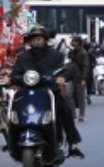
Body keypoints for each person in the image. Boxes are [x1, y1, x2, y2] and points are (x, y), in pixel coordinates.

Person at [9, 26, 84, 159]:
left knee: (65, 110)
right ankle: (11, 143)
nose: (36, 41)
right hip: (28, 94)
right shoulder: (23, 57)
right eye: (34, 39)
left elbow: (67, 69)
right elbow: (15, 74)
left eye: (39, 38)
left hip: (50, 92)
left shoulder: (56, 55)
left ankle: (73, 144)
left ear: (45, 40)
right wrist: (12, 80)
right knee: (13, 111)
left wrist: (63, 77)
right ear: (30, 41)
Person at [69, 37, 91, 121]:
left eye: (73, 41)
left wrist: (84, 78)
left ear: (78, 42)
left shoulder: (83, 53)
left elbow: (86, 66)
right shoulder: (72, 51)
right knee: (68, 95)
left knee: (80, 97)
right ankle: (73, 113)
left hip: (79, 77)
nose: (71, 42)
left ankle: (81, 115)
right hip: (71, 76)